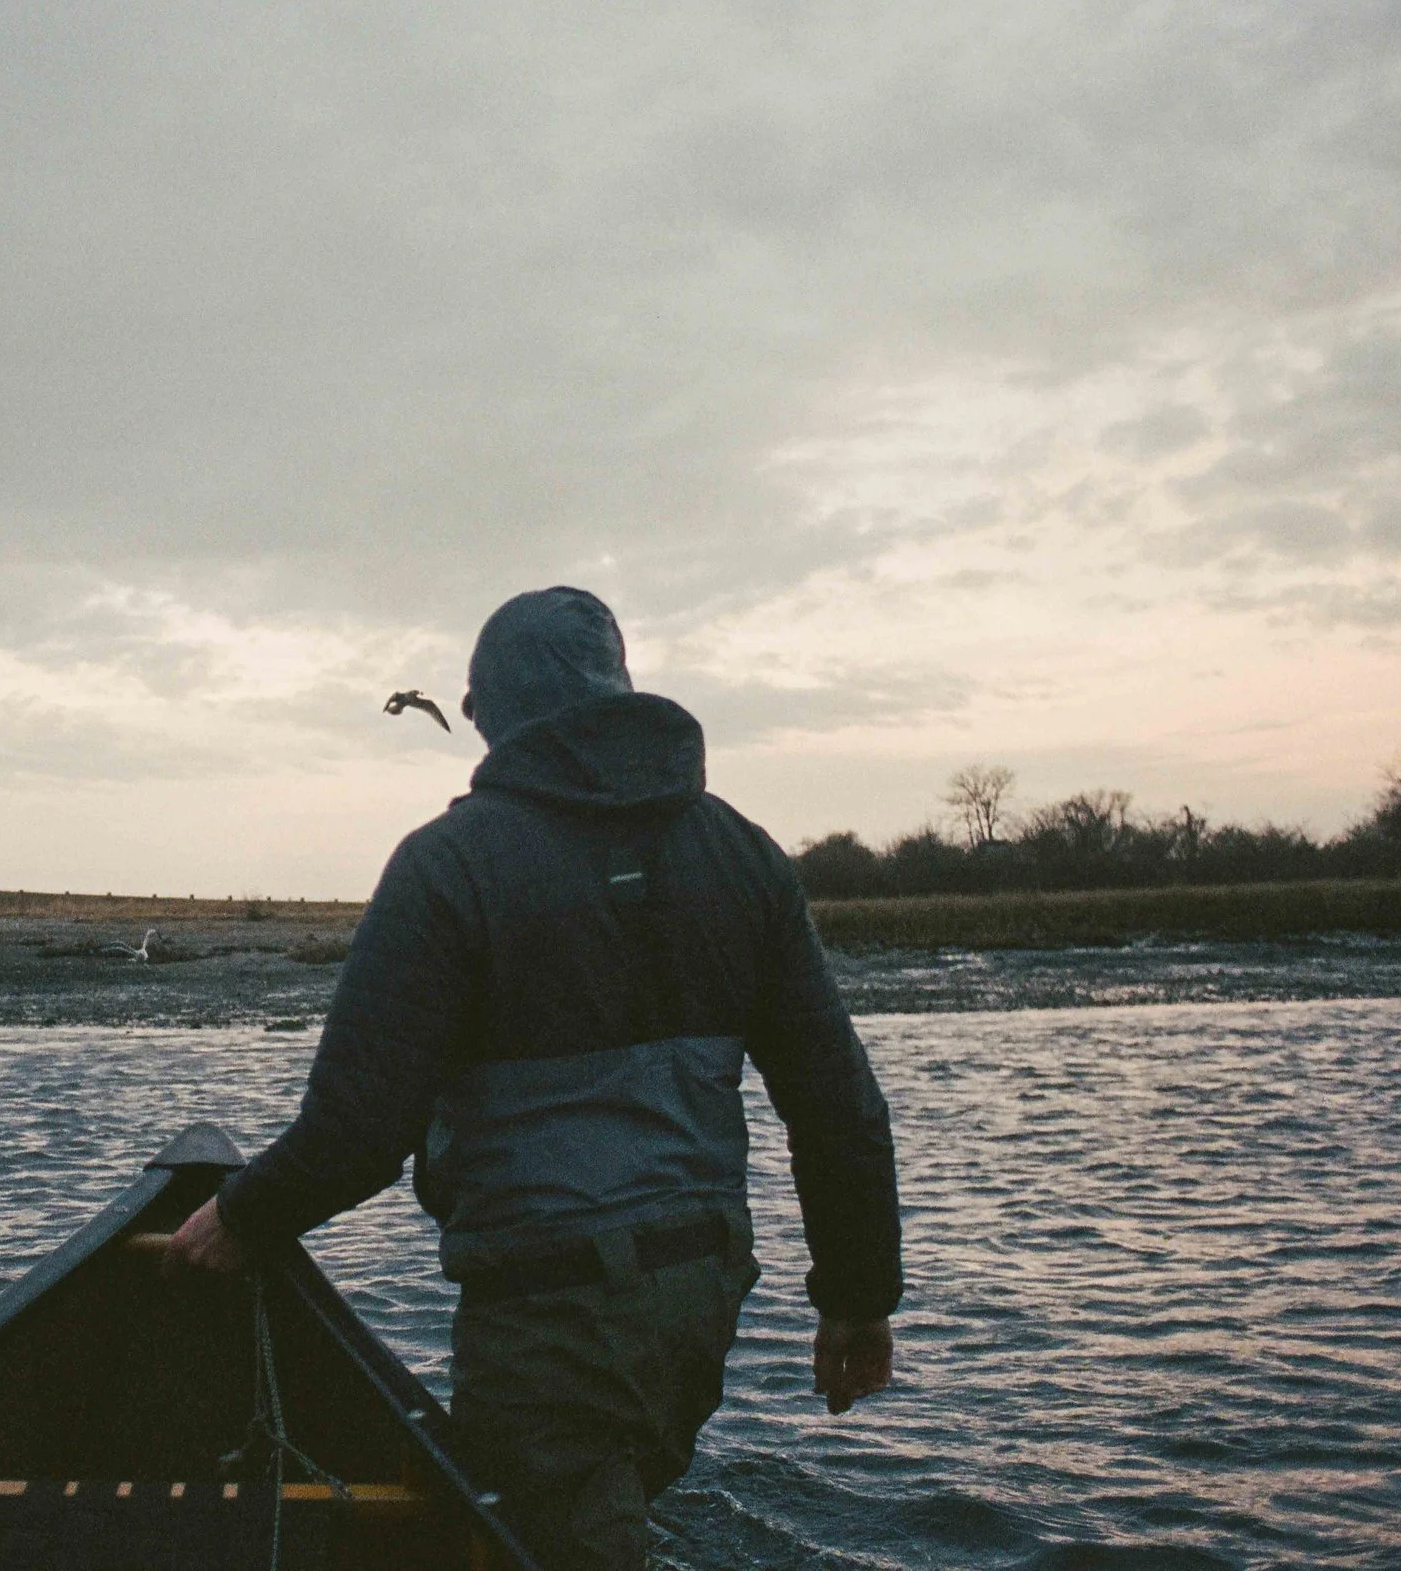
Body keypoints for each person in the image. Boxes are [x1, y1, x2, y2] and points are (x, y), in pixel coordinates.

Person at [167, 586, 901, 1571]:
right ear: (617, 687)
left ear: (491, 709)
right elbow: (838, 1108)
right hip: (701, 1292)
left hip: (547, 1310)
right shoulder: (745, 854)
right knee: (594, 1513)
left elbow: (359, 1126)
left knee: (562, 1536)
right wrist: (857, 1298)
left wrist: (243, 1213)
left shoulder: (447, 865)